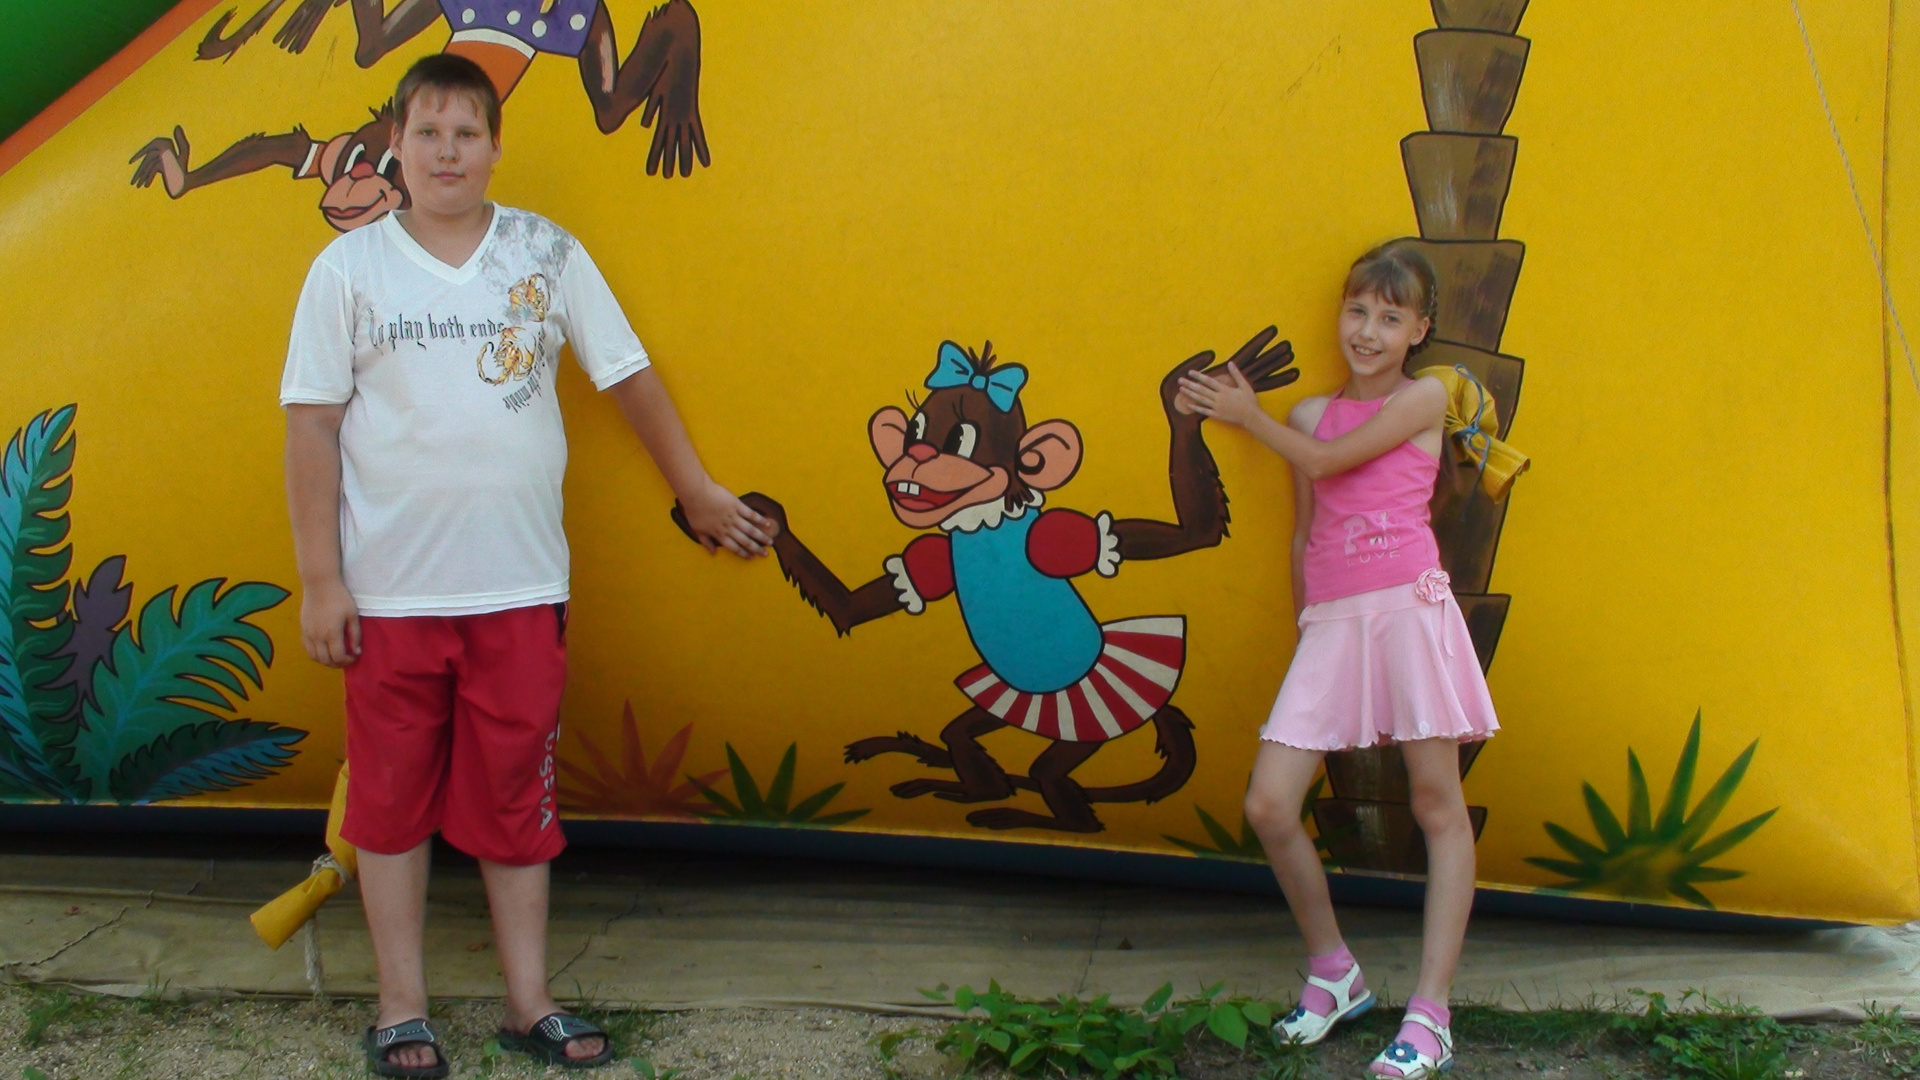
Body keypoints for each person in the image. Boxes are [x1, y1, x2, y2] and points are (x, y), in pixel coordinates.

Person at [281, 53, 775, 1078]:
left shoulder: (545, 253)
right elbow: (312, 431)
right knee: (388, 805)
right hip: (389, 598)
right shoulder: (347, 272)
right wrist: (321, 581)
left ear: (495, 147)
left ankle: (528, 1000)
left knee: (516, 798)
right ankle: (401, 1007)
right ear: (396, 147)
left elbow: (626, 374)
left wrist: (694, 488)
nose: (447, 152)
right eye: (427, 133)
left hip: (518, 590)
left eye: (467, 134)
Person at [1175, 243, 1498, 1079]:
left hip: (1407, 613)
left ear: (1419, 329)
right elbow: (1305, 529)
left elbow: (1324, 462)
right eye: (1357, 311)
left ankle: (1431, 1012)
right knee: (1270, 803)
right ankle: (1334, 972)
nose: (1368, 331)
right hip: (1333, 622)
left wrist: (1248, 417)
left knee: (1436, 804)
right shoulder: (1311, 413)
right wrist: (1306, 628)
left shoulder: (1425, 397)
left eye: (1391, 317)